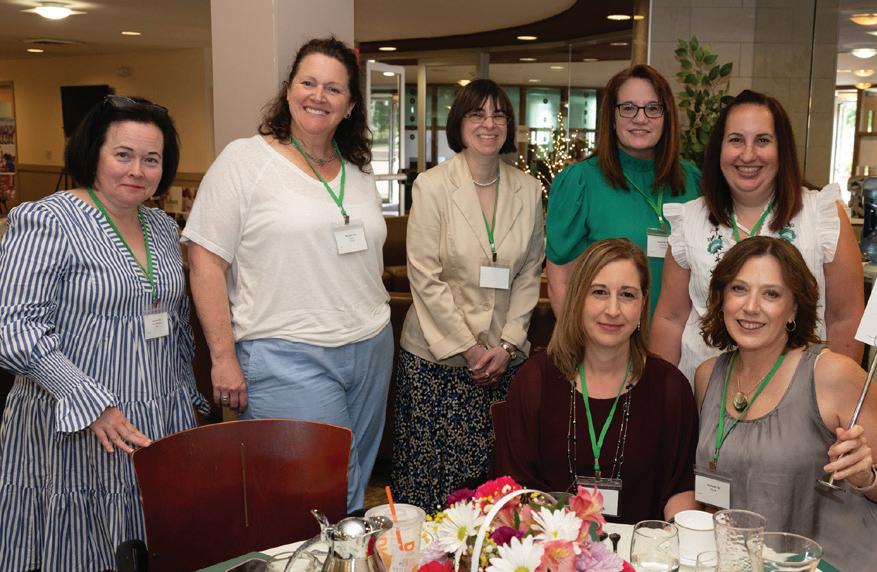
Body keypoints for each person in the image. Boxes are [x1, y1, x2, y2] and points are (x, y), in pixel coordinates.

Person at [183, 37, 390, 512]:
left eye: (333, 88)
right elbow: (205, 260)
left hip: (370, 345)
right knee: (315, 491)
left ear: (350, 105)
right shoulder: (245, 161)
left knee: (354, 485)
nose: (319, 96)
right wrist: (222, 356)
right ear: (289, 90)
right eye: (308, 82)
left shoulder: (358, 169)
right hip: (286, 354)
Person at [0, 95, 207, 569]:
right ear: (93, 152)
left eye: (151, 159)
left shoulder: (160, 225)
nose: (137, 170)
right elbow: (12, 327)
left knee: (153, 540)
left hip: (157, 415)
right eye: (123, 154)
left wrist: (186, 400)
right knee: (87, 549)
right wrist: (90, 402)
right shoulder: (48, 220)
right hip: (75, 421)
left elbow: (172, 320)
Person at [693, 236, 877, 571]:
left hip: (842, 561)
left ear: (793, 309)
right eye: (739, 289)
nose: (751, 306)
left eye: (771, 294)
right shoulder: (708, 377)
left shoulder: (832, 374)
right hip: (757, 562)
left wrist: (867, 476)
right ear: (721, 298)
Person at [394, 79, 545, 511]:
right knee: (432, 489)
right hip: (437, 361)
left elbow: (529, 272)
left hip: (503, 362)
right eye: (477, 114)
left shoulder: (528, 190)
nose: (489, 124)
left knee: (494, 490)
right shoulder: (432, 186)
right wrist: (469, 348)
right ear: (459, 123)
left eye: (499, 115)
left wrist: (509, 344)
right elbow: (425, 276)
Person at [651, 89, 864, 381]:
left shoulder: (822, 215)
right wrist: (660, 393)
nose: (748, 154)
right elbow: (671, 318)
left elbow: (844, 318)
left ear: (782, 149)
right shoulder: (689, 220)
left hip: (797, 394)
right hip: (703, 393)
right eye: (736, 140)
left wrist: (836, 391)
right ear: (719, 149)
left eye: (762, 140)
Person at [495, 238, 698, 524]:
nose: (613, 310)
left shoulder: (670, 389)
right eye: (599, 292)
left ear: (642, 304)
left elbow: (679, 490)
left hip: (643, 547)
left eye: (627, 295)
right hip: (551, 545)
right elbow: (517, 491)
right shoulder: (534, 381)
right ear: (578, 299)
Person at [546, 64, 701, 316]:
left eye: (652, 108)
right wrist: (582, 340)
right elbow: (561, 282)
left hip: (683, 337)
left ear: (667, 117)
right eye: (628, 108)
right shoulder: (580, 182)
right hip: (607, 334)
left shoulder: (693, 181)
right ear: (611, 118)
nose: (640, 118)